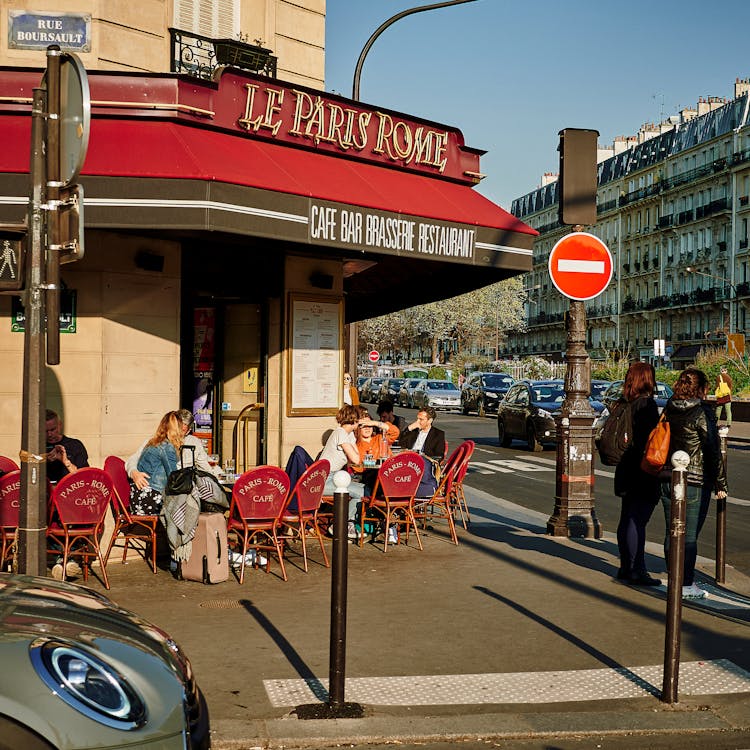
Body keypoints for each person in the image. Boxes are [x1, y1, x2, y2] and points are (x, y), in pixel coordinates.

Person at [660, 368, 728, 599]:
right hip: (695, 480)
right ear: (701, 388)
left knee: (672, 532)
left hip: (668, 477)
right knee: (688, 537)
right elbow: (712, 450)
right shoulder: (702, 412)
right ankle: (685, 584)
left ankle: (674, 579)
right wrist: (721, 483)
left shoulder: (669, 407)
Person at [612, 362, 661, 587]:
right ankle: (636, 569)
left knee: (627, 518)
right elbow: (648, 441)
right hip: (641, 468)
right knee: (637, 520)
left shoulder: (623, 403)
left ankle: (626, 566)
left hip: (625, 467)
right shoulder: (646, 405)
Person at [126, 408, 216, 489]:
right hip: (165, 487)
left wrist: (216, 477)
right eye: (177, 427)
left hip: (183, 486)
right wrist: (134, 473)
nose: (178, 432)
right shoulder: (157, 441)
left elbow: (205, 465)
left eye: (183, 430)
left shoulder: (194, 443)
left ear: (188, 431)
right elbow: (133, 458)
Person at [320, 404, 367, 538]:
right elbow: (356, 459)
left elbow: (356, 458)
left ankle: (346, 523)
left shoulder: (346, 434)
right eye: (359, 419)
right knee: (363, 493)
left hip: (333, 477)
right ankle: (342, 525)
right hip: (324, 480)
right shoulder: (340, 433)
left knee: (365, 489)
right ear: (354, 419)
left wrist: (353, 434)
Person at [131, 411, 183, 515]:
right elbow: (174, 478)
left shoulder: (153, 442)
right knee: (188, 503)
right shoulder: (167, 447)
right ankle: (186, 531)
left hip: (139, 498)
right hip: (151, 498)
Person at [398, 406, 446, 499]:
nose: (418, 422)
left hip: (423, 463)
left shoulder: (438, 434)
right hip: (408, 461)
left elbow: (439, 455)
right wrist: (409, 428)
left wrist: (423, 456)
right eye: (417, 419)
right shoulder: (414, 431)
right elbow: (400, 442)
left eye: (421, 419)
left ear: (430, 420)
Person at [45, 409, 89, 483]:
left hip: (70, 490)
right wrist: (43, 458)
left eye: (53, 429)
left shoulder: (74, 445)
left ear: (60, 425)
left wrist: (65, 461)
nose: (50, 434)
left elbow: (84, 477)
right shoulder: (36, 447)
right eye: (45, 431)